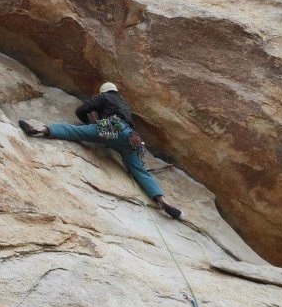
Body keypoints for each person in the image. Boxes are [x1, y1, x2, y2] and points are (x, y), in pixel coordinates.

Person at [18, 82, 183, 220]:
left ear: (103, 91)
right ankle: (162, 201)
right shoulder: (124, 104)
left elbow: (81, 110)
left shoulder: (104, 96)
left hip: (108, 129)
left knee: (72, 131)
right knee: (139, 171)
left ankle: (38, 130)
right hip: (130, 138)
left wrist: (88, 122)